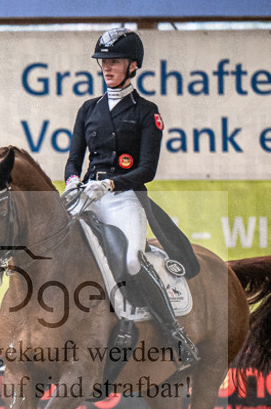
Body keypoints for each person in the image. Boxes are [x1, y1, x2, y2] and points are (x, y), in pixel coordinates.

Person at [65, 26, 199, 369]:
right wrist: (72, 181)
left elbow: (147, 170)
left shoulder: (146, 112)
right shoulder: (88, 109)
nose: (107, 67)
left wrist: (109, 185)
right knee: (50, 248)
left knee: (131, 262)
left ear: (133, 65)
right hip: (86, 196)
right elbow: (74, 157)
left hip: (124, 198)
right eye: (103, 61)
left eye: (115, 61)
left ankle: (175, 334)